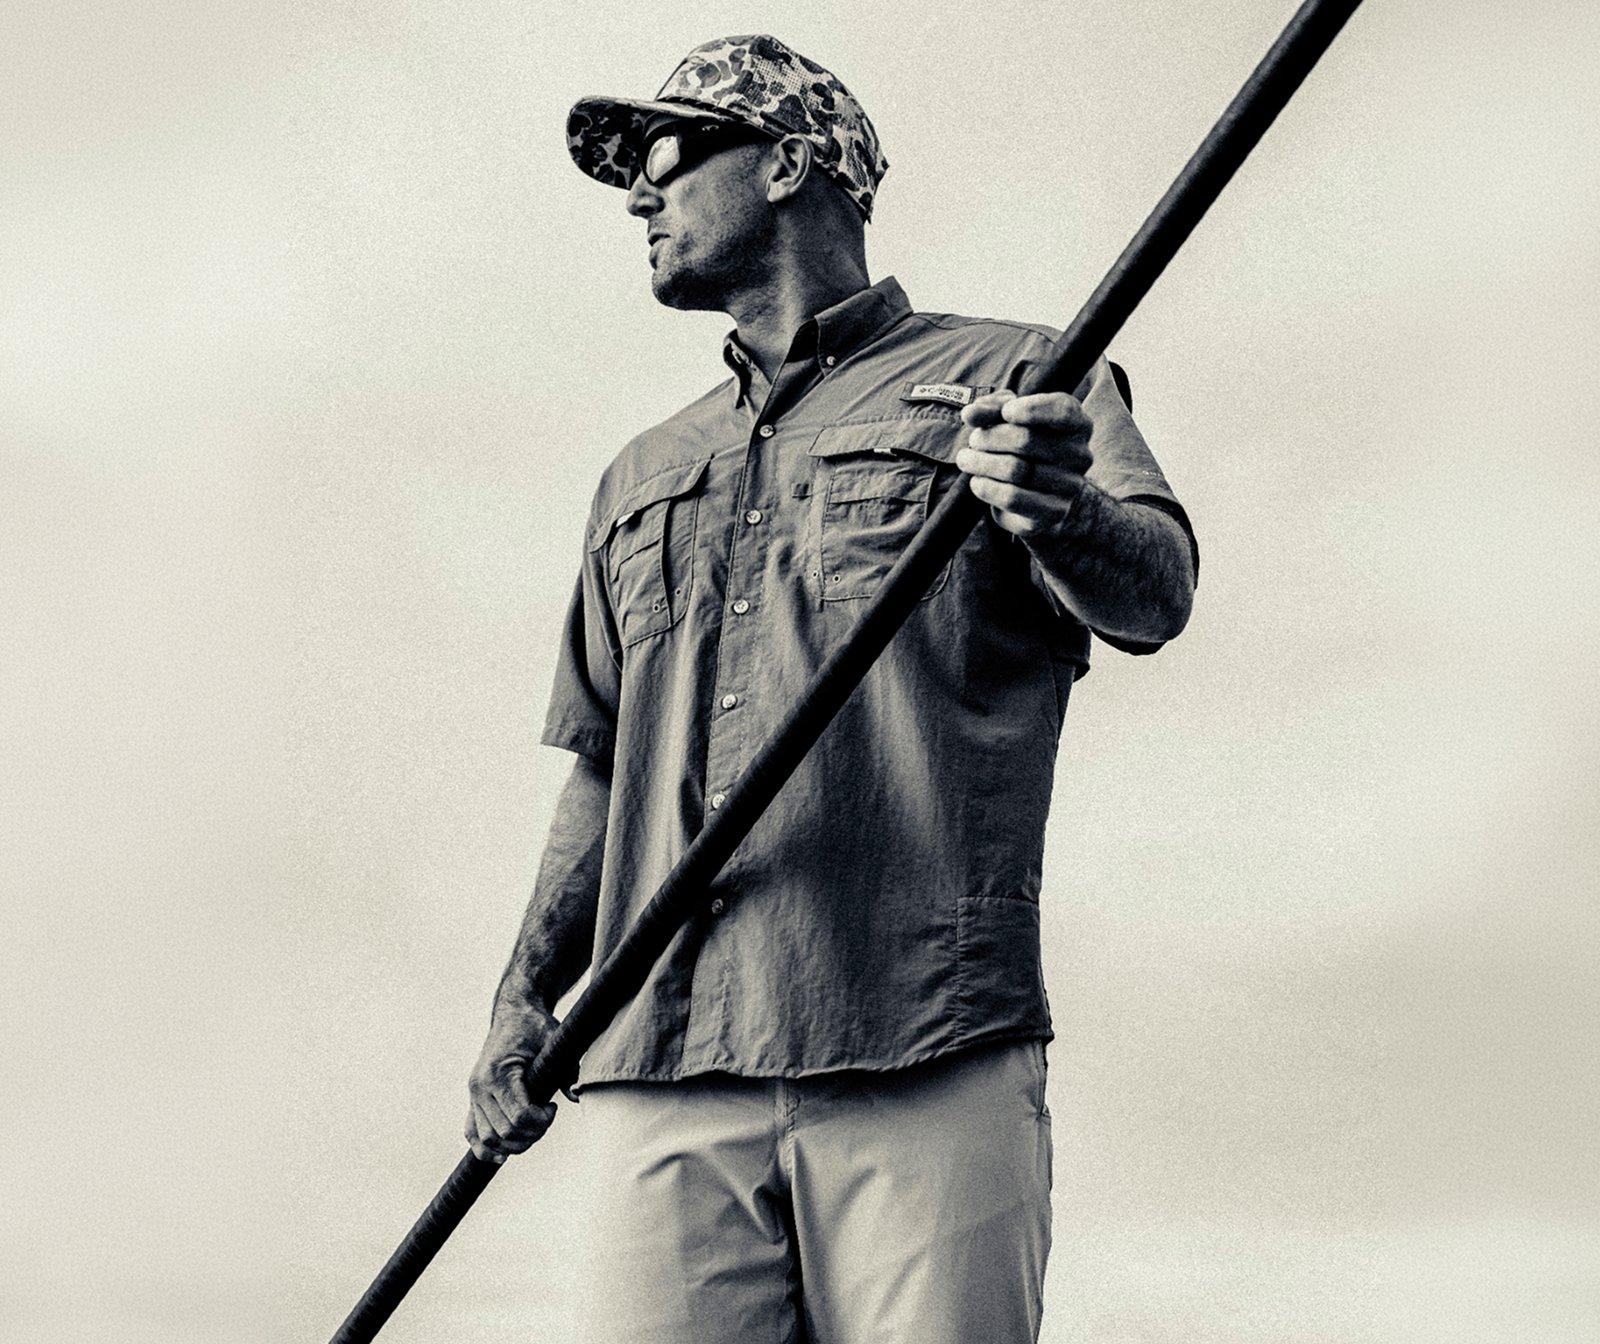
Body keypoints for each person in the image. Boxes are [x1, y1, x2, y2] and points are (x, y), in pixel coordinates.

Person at [466, 33, 1197, 1344]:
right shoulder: (640, 475)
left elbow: (1156, 590)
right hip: (660, 1063)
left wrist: (1057, 509)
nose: (638, 195)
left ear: (791, 162)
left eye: (667, 155)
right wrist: (522, 998)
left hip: (927, 1042)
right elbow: (602, 765)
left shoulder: (1020, 375)